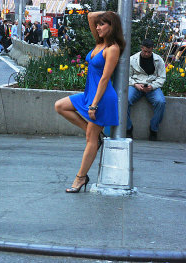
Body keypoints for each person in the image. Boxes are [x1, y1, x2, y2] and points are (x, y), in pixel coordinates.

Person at [54, 11, 125, 193]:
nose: (98, 27)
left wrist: (94, 104)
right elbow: (90, 16)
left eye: (103, 25)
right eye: (98, 25)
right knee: (60, 106)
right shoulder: (100, 42)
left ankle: (80, 178)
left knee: (91, 140)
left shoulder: (113, 48)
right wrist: (109, 14)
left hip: (101, 98)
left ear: (112, 26)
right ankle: (92, 133)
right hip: (89, 94)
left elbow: (104, 78)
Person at [126, 38, 166, 141]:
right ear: (141, 48)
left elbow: (162, 77)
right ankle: (128, 128)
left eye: (149, 51)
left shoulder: (158, 60)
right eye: (145, 51)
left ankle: (153, 129)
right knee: (124, 101)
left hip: (152, 86)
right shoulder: (132, 59)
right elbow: (127, 76)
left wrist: (152, 86)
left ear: (152, 49)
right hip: (135, 85)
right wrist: (135, 84)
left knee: (160, 101)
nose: (147, 54)